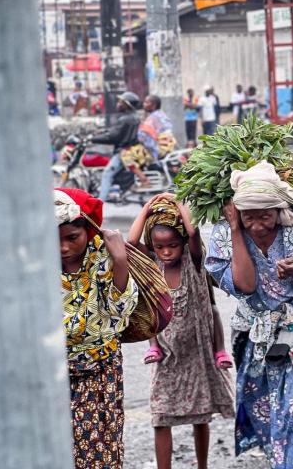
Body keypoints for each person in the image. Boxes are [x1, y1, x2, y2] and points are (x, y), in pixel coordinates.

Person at [205, 161, 293, 468]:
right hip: (256, 331)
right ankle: (283, 460)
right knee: (264, 406)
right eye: (248, 216)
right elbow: (246, 285)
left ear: (279, 210)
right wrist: (237, 230)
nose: (258, 226)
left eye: (265, 216)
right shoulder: (226, 233)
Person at [127, 194, 234, 469]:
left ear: (183, 245)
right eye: (159, 246)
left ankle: (202, 466)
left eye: (172, 245)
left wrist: (178, 204)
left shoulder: (193, 261)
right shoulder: (152, 267)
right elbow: (129, 243)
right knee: (160, 418)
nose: (166, 252)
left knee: (201, 416)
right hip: (165, 356)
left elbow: (193, 232)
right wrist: (147, 207)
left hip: (198, 353)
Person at [55, 187, 139, 469]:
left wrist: (120, 261)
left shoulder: (101, 257)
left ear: (87, 232)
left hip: (99, 369)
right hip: (51, 372)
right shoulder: (34, 262)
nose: (63, 248)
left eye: (72, 238)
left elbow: (119, 314)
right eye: (53, 239)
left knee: (97, 450)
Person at [121, 94, 178, 188]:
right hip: (167, 146)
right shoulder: (162, 114)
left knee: (126, 154)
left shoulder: (151, 118)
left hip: (159, 149)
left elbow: (143, 137)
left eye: (146, 102)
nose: (144, 104)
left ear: (153, 105)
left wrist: (152, 152)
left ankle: (144, 180)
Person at [93, 91, 141, 201]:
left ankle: (99, 203)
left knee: (107, 173)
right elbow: (115, 131)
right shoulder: (132, 117)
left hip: (123, 151)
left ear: (127, 105)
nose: (118, 104)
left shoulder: (125, 119)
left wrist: (93, 139)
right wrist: (102, 131)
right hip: (129, 149)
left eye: (121, 102)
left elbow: (113, 136)